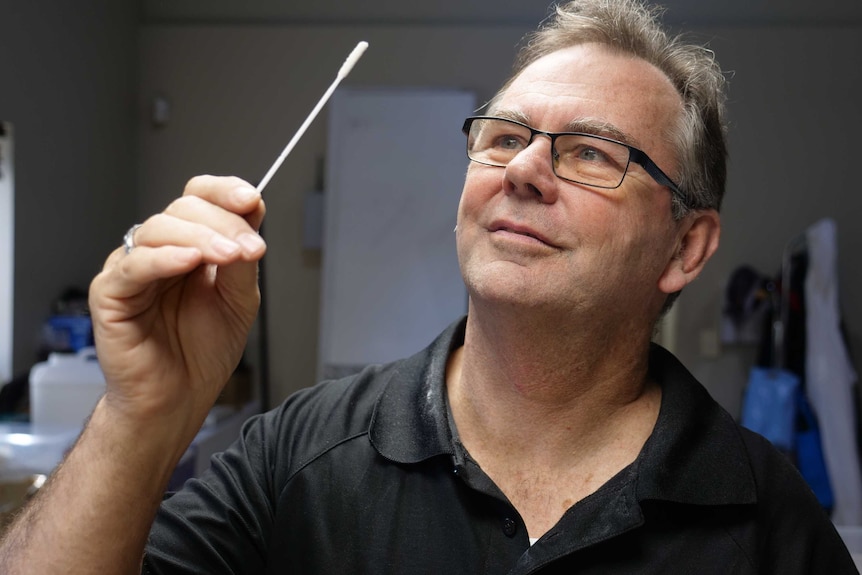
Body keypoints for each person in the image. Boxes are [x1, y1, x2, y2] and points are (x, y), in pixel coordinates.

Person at [1, 0, 857, 572]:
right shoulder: (296, 460)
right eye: (502, 136)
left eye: (591, 152)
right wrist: (136, 414)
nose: (521, 170)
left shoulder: (769, 521)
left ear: (686, 247)